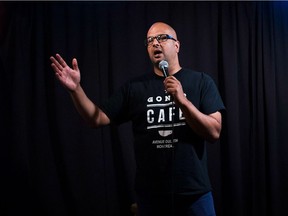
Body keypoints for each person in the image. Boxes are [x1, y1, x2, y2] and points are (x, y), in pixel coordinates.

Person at [50, 22, 225, 216]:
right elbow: (96, 118)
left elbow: (214, 131)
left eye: (162, 38)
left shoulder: (201, 81)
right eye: (150, 41)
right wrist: (76, 90)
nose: (155, 43)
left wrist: (183, 102)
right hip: (151, 196)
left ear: (177, 45)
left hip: (194, 194)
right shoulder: (134, 88)